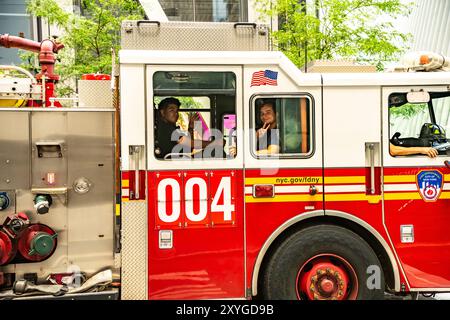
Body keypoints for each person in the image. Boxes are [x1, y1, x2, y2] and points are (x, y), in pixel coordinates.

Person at [154, 97, 222, 159]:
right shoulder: (165, 127)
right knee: (216, 151)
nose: (176, 114)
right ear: (162, 112)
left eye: (177, 111)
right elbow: (190, 143)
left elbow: (189, 148)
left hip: (180, 159)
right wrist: (215, 143)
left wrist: (190, 127)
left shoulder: (170, 127)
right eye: (172, 110)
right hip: (173, 162)